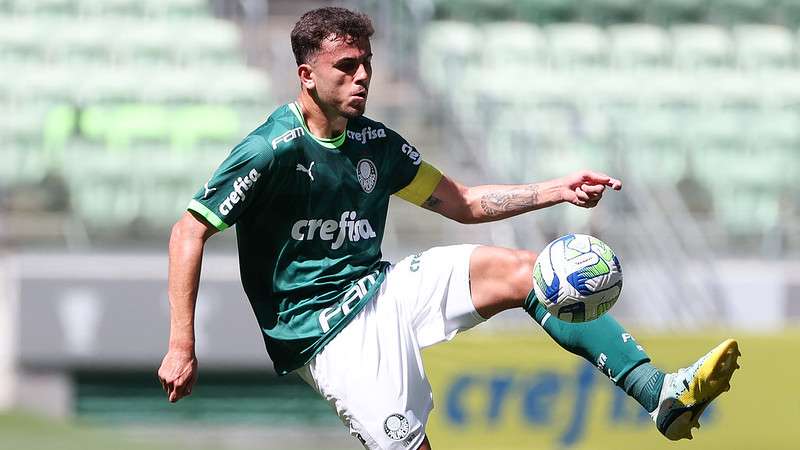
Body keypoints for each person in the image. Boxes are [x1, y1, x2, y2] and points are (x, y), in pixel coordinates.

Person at [157, 7, 740, 450]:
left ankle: (658, 393)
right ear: (306, 75)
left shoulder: (376, 145)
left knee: (524, 272)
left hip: (378, 288)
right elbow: (189, 230)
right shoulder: (270, 150)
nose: (362, 77)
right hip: (324, 335)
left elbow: (460, 202)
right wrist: (182, 342)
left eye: (367, 65)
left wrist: (555, 190)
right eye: (347, 67)